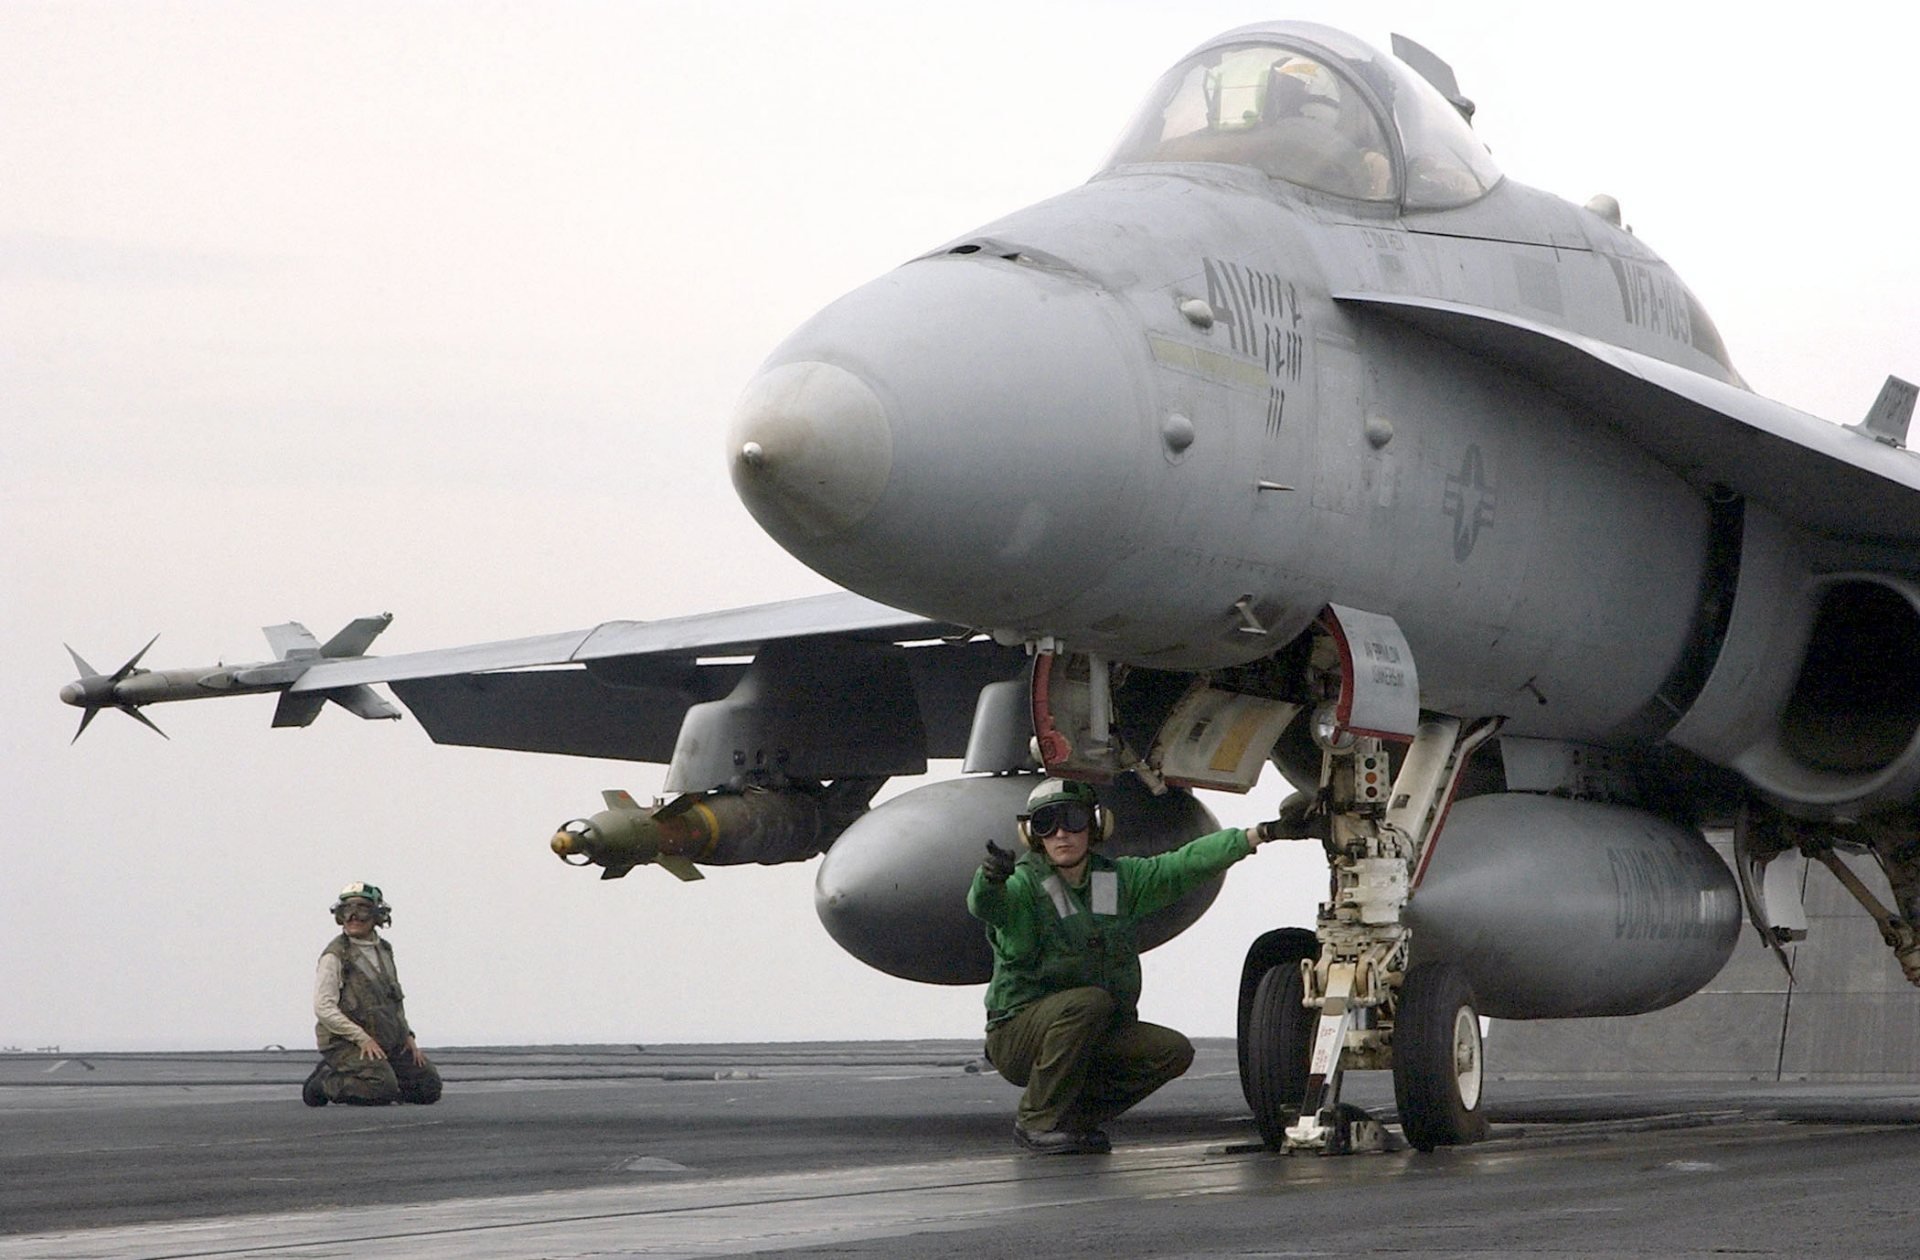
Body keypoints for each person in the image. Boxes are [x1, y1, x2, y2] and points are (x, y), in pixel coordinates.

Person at [967, 778, 1278, 1153]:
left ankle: (1072, 1121)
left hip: (1088, 1031)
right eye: (1046, 824)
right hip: (1019, 1037)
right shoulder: (1020, 888)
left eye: (1073, 820)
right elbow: (988, 906)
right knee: (1090, 1001)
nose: (1062, 833)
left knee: (1171, 1050)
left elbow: (1183, 866)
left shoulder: (1116, 882)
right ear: (1032, 834)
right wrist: (990, 879)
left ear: (1096, 826)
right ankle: (1036, 1122)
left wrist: (1258, 835)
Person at [301, 882, 442, 1107]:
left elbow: (394, 999)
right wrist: (361, 1038)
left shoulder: (383, 950)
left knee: (428, 1087)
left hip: (385, 1040)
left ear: (377, 914)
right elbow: (323, 1008)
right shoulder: (335, 956)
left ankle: (380, 1079)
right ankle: (325, 1082)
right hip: (346, 1042)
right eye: (347, 910)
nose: (353, 917)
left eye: (362, 909)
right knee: (380, 1088)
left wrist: (408, 1035)